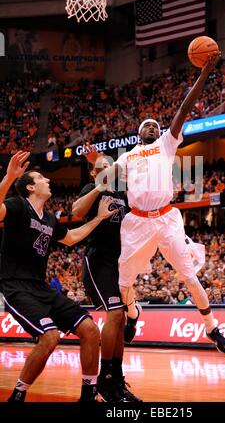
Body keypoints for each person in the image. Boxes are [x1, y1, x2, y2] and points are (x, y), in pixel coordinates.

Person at [95, 55, 225, 355]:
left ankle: (212, 328)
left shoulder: (166, 144)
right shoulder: (128, 156)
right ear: (138, 133)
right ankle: (133, 315)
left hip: (167, 218)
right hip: (137, 221)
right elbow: (106, 178)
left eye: (156, 126)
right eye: (147, 126)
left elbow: (184, 108)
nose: (153, 128)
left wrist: (205, 74)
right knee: (123, 282)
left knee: (188, 274)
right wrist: (97, 167)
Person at [0, 151, 117, 402]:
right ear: (31, 187)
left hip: (41, 288)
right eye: (42, 178)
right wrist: (9, 178)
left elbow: (72, 238)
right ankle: (18, 394)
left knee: (90, 330)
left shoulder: (51, 219)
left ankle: (88, 393)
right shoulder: (18, 205)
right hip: (16, 287)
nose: (48, 181)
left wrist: (98, 218)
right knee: (50, 336)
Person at [72, 152, 141, 403]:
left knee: (120, 318)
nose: (107, 170)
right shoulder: (93, 188)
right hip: (97, 260)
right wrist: (100, 184)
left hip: (118, 262)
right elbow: (77, 212)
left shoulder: (124, 195)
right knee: (114, 314)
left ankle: (117, 381)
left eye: (110, 167)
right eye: (101, 167)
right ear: (94, 172)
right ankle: (104, 380)